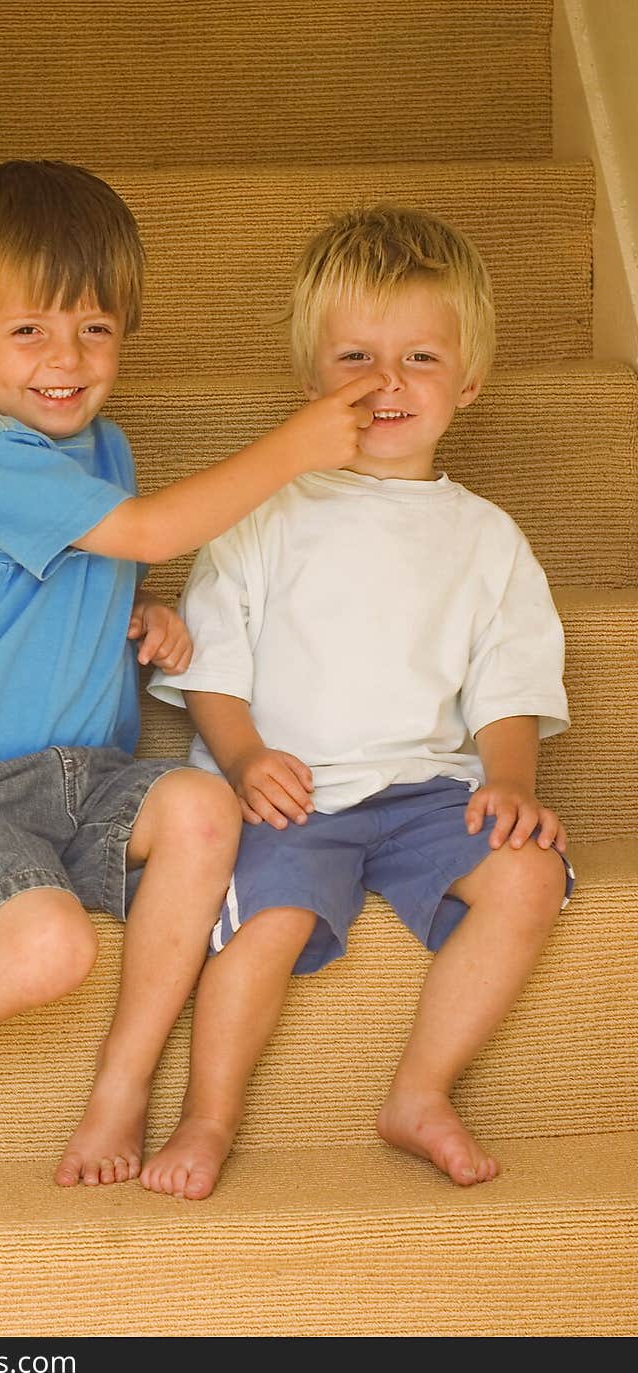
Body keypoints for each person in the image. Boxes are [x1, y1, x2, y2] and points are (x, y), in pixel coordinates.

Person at [0, 159, 381, 1195]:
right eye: (28, 330)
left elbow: (92, 565)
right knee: (49, 954)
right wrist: (294, 446)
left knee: (206, 809)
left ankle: (121, 1085)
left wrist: (147, 616)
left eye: (94, 328)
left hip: (86, 776)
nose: (66, 359)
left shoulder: (105, 447)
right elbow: (146, 528)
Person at [144, 202, 576, 1200]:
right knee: (268, 923)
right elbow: (214, 661)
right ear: (309, 380)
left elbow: (507, 679)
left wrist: (511, 779)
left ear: (467, 380)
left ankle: (420, 1092)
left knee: (527, 879)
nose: (388, 384)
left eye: (420, 358)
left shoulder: (487, 538)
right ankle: (208, 1114)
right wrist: (245, 760)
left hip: (427, 790)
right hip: (291, 791)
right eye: (355, 359)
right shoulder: (264, 511)